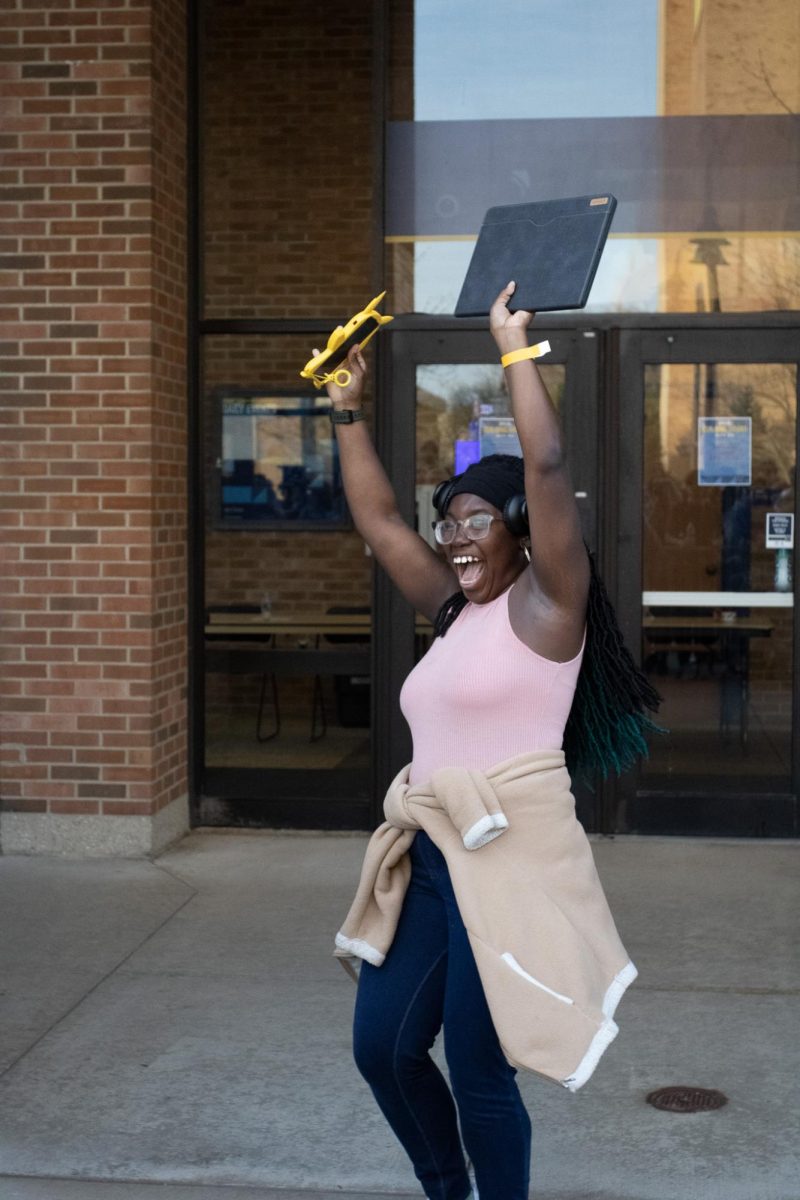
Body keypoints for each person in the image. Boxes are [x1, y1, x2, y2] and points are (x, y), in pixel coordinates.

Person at [319, 283, 659, 1200]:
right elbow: (381, 521)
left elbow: (545, 468)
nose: (455, 534)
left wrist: (513, 350)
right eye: (451, 519)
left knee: (479, 1071)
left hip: (507, 861)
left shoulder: (549, 610)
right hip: (431, 858)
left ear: (519, 533)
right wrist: (345, 408)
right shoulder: (451, 611)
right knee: (381, 1048)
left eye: (478, 519)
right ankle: (448, 1188)